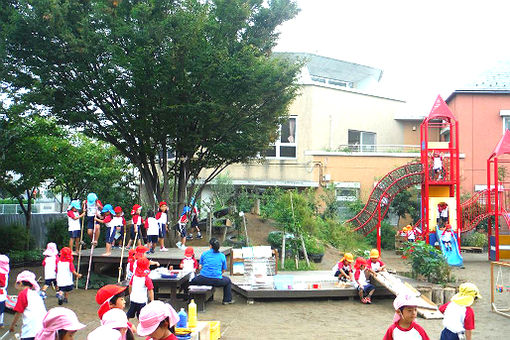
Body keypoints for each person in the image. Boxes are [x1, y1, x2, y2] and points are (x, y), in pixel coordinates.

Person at [190, 238, 234, 305]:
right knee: (228, 281)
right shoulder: (222, 256)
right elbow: (224, 269)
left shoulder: (204, 254)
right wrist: (217, 274)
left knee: (193, 281)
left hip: (203, 278)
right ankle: (227, 300)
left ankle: (191, 298)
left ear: (210, 246)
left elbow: (200, 267)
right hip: (217, 280)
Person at [9, 271, 47, 339]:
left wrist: (12, 325)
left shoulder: (23, 294)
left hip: (30, 331)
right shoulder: (36, 294)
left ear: (20, 283)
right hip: (43, 329)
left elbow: (18, 312)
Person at [0, 255, 9, 328]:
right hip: (2, 294)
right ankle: (1, 323)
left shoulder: (2, 273)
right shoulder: (5, 272)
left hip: (1, 293)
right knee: (1, 310)